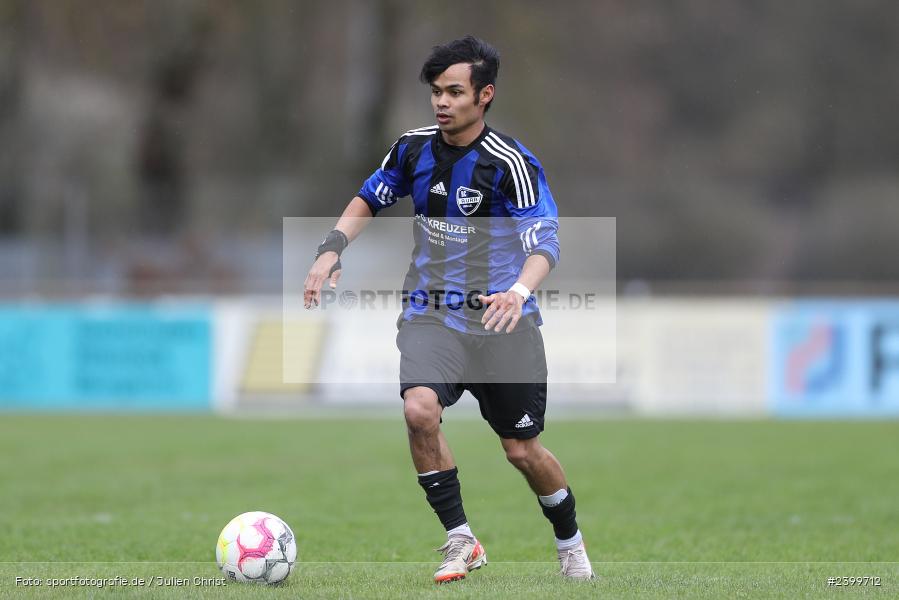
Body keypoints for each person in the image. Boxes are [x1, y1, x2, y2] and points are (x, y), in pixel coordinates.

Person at [303, 35, 595, 583]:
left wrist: (519, 292)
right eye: (436, 91)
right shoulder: (412, 148)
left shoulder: (511, 163)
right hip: (430, 314)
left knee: (521, 450)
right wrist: (330, 249)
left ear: (484, 96)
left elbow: (545, 243)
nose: (442, 102)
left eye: (454, 91)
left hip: (503, 323)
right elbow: (370, 196)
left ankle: (570, 544)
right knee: (419, 410)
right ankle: (461, 540)